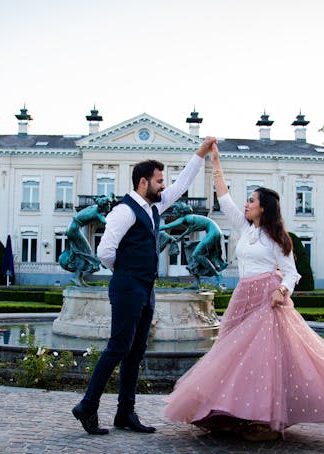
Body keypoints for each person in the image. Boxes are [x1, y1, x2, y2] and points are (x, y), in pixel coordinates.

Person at [163, 144, 324, 440]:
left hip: (267, 301)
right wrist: (214, 160)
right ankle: (233, 414)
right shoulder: (245, 229)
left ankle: (265, 422)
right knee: (230, 357)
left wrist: (282, 289)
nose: (246, 204)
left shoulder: (278, 239)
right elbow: (223, 196)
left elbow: (293, 272)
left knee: (262, 361)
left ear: (263, 207)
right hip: (243, 297)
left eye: (252, 200)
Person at [72, 136, 218, 435]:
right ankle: (87, 405)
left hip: (145, 289)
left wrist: (200, 154)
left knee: (136, 352)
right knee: (117, 347)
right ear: (143, 183)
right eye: (159, 181)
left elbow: (180, 187)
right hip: (128, 285)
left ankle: (125, 412)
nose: (164, 185)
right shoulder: (124, 211)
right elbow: (104, 252)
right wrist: (126, 272)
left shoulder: (153, 208)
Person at [159, 201, 227, 288]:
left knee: (196, 254)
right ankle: (196, 283)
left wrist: (153, 227)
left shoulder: (184, 218)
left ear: (181, 211)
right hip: (215, 232)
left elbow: (167, 226)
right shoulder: (190, 218)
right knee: (192, 251)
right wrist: (180, 237)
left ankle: (217, 275)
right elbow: (190, 229)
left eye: (175, 210)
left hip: (213, 233)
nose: (173, 212)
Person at [58, 194, 114, 286]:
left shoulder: (95, 207)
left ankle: (78, 277)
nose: (108, 208)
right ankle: (76, 276)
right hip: (74, 229)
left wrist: (111, 199)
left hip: (73, 228)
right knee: (86, 253)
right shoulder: (97, 214)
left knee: (85, 253)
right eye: (107, 207)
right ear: (103, 206)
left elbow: (110, 196)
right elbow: (107, 222)